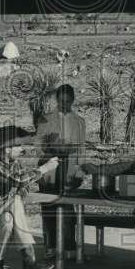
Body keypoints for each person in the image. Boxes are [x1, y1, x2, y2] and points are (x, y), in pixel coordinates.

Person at [0, 125, 59, 269]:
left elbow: (23, 186)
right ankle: (29, 260)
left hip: (0, 212)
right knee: (14, 202)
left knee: (8, 220)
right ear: (7, 147)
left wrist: (20, 192)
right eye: (18, 145)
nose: (21, 149)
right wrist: (43, 169)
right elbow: (16, 180)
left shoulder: (14, 164)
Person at [36, 84, 85, 257]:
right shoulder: (45, 119)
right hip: (49, 168)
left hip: (69, 169)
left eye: (68, 101)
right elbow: (38, 147)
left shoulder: (79, 122)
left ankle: (70, 247)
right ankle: (50, 247)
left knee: (68, 208)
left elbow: (81, 150)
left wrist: (79, 172)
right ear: (56, 100)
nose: (64, 104)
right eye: (61, 101)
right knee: (49, 206)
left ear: (73, 100)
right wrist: (52, 151)